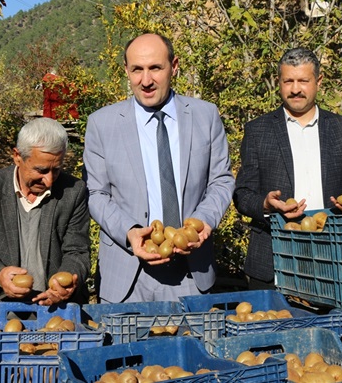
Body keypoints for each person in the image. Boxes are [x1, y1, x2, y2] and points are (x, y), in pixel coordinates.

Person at [83, 33, 235, 303]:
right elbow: (96, 193)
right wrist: (129, 232)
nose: (146, 81)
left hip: (192, 272)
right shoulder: (101, 124)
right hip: (127, 276)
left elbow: (221, 180)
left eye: (155, 68)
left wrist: (205, 221)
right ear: (126, 72)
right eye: (137, 70)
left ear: (174, 66)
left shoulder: (205, 115)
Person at [234, 47, 342, 290]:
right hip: (273, 259)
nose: (295, 89)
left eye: (303, 81)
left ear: (318, 81)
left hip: (331, 257)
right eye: (288, 81)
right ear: (279, 82)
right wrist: (265, 204)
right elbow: (242, 194)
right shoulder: (258, 130)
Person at [0, 117, 90, 305]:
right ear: (17, 156)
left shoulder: (73, 192)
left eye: (56, 170)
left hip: (55, 308)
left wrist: (67, 280)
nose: (49, 181)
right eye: (41, 170)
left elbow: (77, 251)